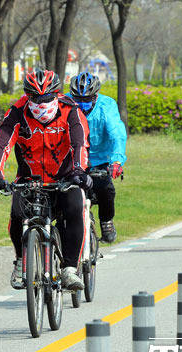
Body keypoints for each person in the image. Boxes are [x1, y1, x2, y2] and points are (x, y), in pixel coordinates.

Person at [0, 68, 92, 291]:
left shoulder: (70, 110)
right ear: (27, 96)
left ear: (56, 94)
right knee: (17, 214)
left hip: (65, 177)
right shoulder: (17, 112)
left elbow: (79, 143)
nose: (41, 103)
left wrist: (79, 171)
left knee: (75, 207)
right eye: (35, 98)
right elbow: (1, 142)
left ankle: (70, 269)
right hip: (30, 178)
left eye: (46, 97)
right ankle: (21, 260)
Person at [67, 72, 127, 243]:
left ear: (96, 96)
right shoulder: (64, 103)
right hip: (72, 159)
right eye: (78, 99)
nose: (82, 103)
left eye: (87, 99)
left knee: (106, 189)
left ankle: (106, 221)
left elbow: (117, 135)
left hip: (99, 159)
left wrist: (117, 160)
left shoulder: (107, 106)